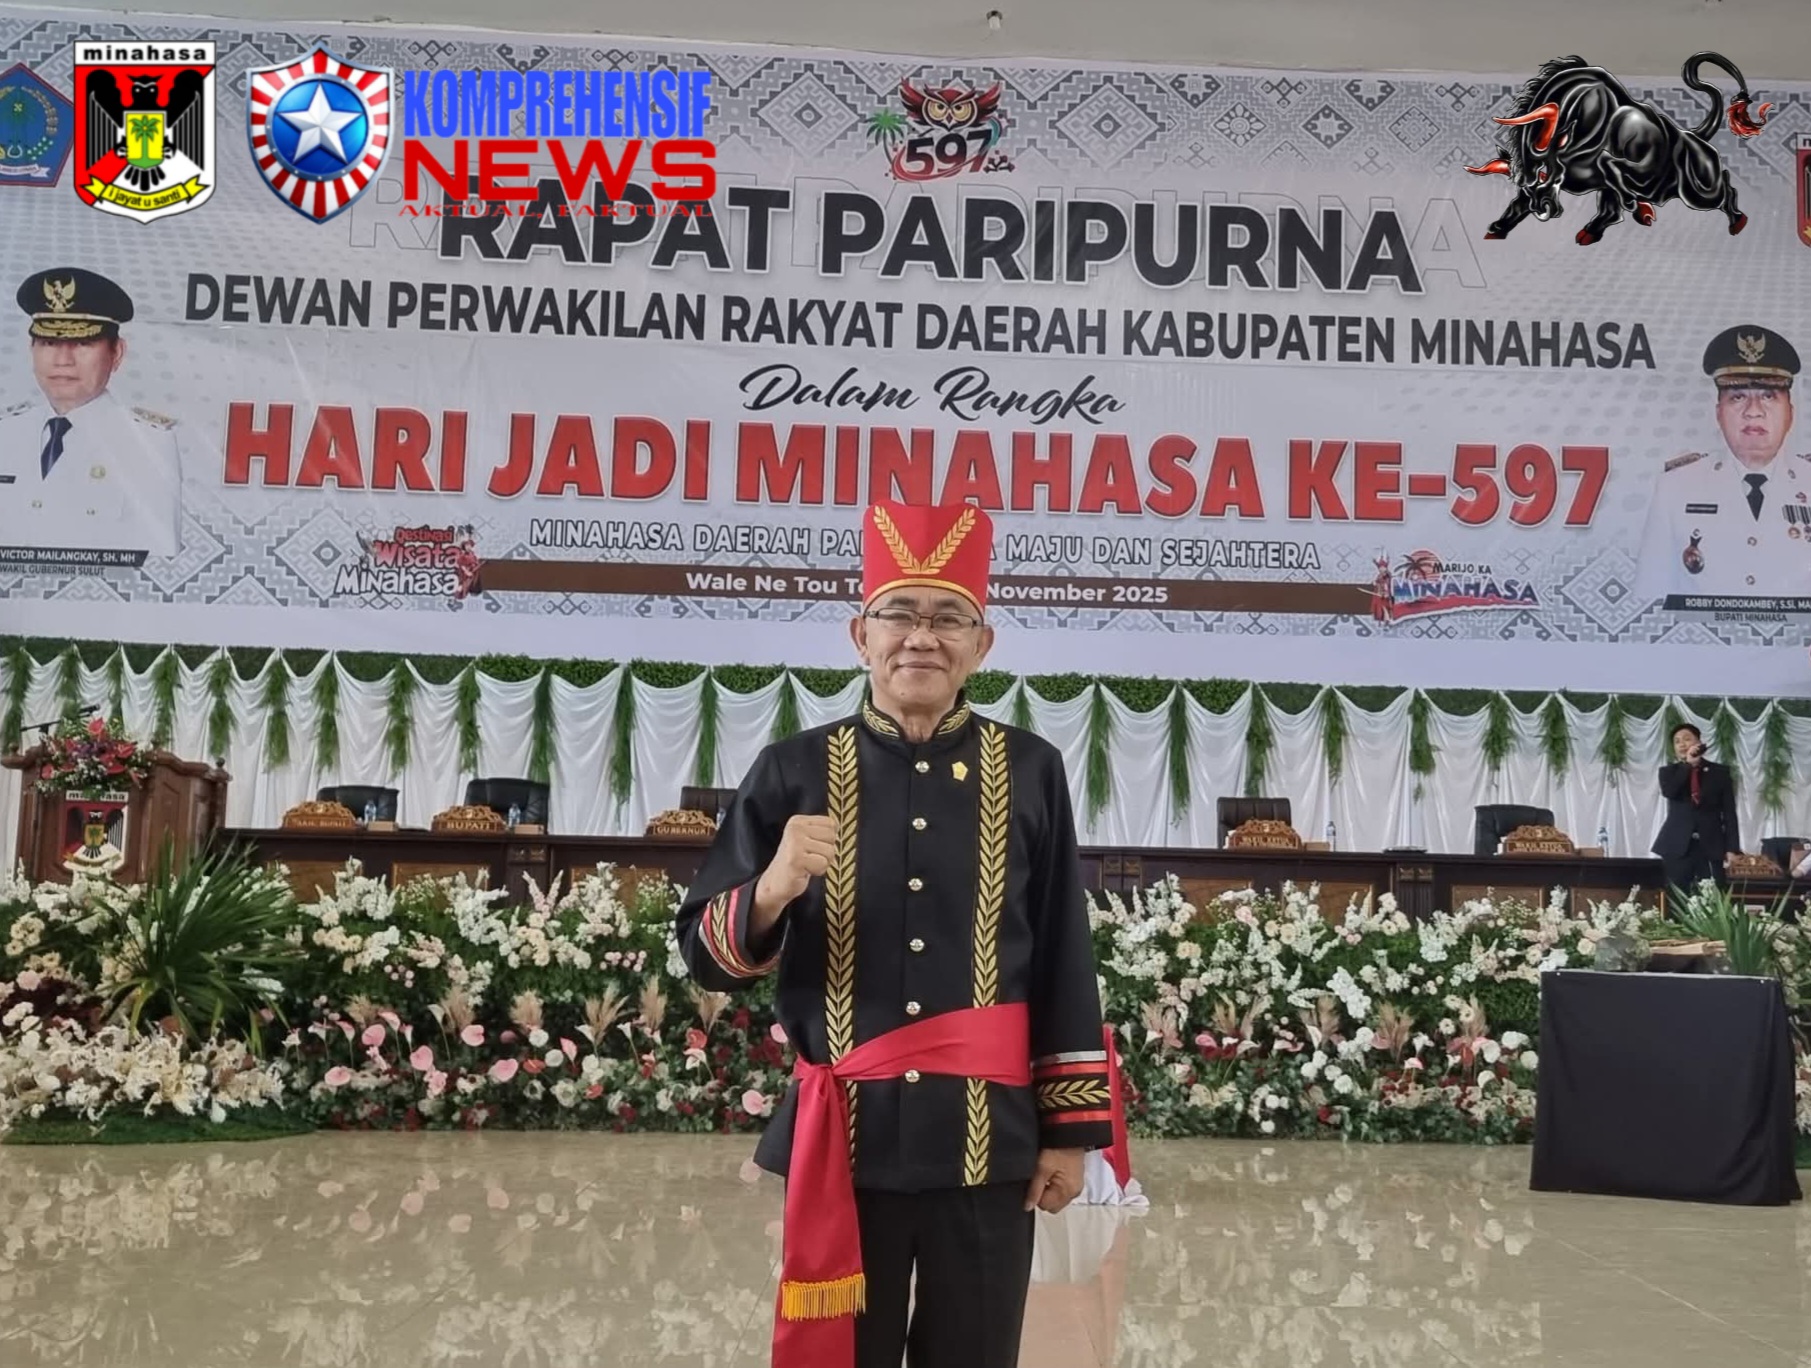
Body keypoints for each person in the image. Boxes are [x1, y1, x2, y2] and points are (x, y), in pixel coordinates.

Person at [674, 499, 1113, 1368]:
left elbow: (1064, 951)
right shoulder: (791, 769)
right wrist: (770, 889)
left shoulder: (1032, 769)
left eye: (947, 618)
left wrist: (1068, 1131)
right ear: (860, 635)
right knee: (847, 1354)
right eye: (899, 614)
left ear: (981, 644)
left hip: (986, 1140)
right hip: (845, 1141)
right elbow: (703, 957)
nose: (921, 637)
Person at [0, 267, 181, 561]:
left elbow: (159, 565)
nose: (63, 360)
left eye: (82, 343)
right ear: (31, 349)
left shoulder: (147, 441)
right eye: (49, 343)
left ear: (116, 353)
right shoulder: (6, 432)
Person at [1636, 325, 1806, 601]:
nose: (1753, 412)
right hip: (1701, 630)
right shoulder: (1676, 486)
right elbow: (1651, 595)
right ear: (1719, 413)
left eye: (1768, 396)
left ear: (1790, 413)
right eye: (1737, 397)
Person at [1652, 723, 1741, 892]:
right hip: (1677, 845)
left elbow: (1729, 812)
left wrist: (1732, 848)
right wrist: (1688, 765)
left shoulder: (1719, 772)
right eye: (1677, 741)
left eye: (1687, 739)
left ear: (1699, 743)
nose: (1682, 744)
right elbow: (1670, 792)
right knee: (1676, 898)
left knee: (1712, 897)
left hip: (1711, 845)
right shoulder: (1668, 772)